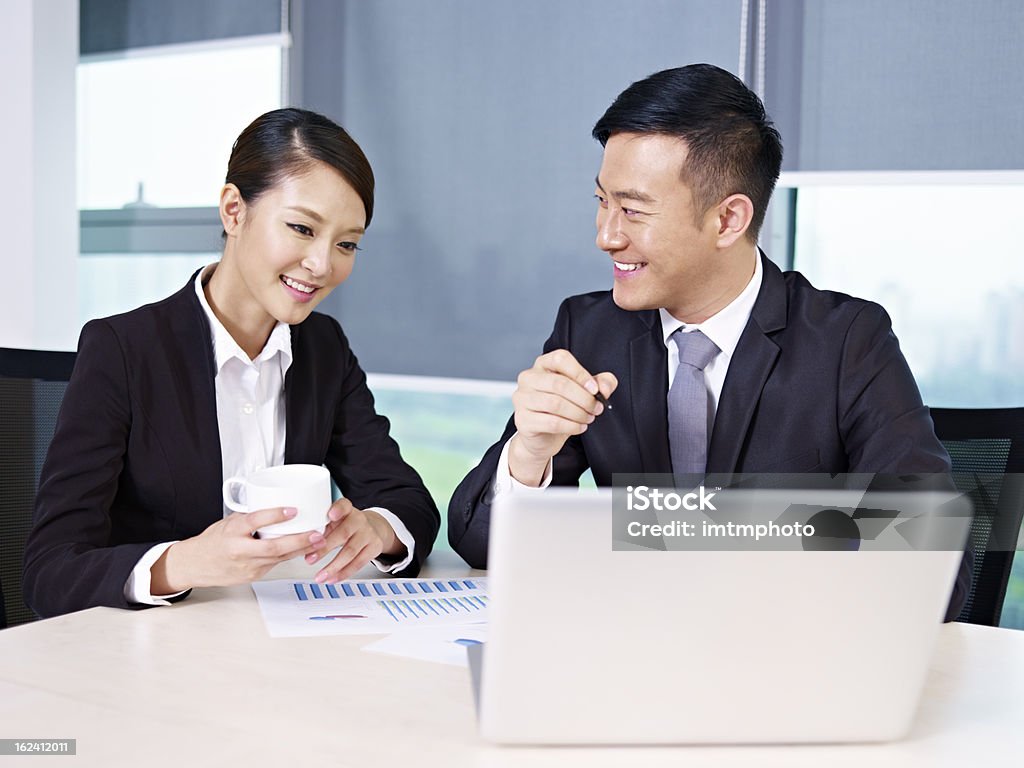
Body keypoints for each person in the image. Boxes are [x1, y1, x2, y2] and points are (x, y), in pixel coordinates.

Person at [447, 64, 970, 620]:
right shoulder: (589, 329)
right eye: (602, 201)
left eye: (632, 209)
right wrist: (531, 452)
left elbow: (927, 552)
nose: (606, 235)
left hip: (783, 664)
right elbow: (478, 544)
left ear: (728, 220)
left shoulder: (846, 341)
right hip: (633, 663)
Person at [25, 108, 440, 618]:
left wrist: (378, 528)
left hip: (281, 642)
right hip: (155, 654)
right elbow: (49, 573)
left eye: (347, 243)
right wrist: (185, 563)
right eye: (301, 228)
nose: (323, 265)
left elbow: (408, 500)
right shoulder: (123, 349)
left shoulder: (323, 348)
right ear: (234, 211)